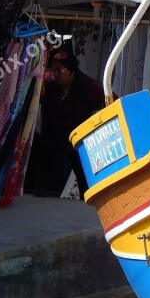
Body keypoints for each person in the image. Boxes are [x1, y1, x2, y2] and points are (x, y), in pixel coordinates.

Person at [40, 51, 105, 198]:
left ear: (71, 70)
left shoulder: (90, 87)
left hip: (81, 141)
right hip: (57, 138)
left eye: (59, 70)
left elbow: (107, 103)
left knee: (84, 176)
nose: (55, 74)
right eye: (53, 70)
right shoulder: (51, 84)